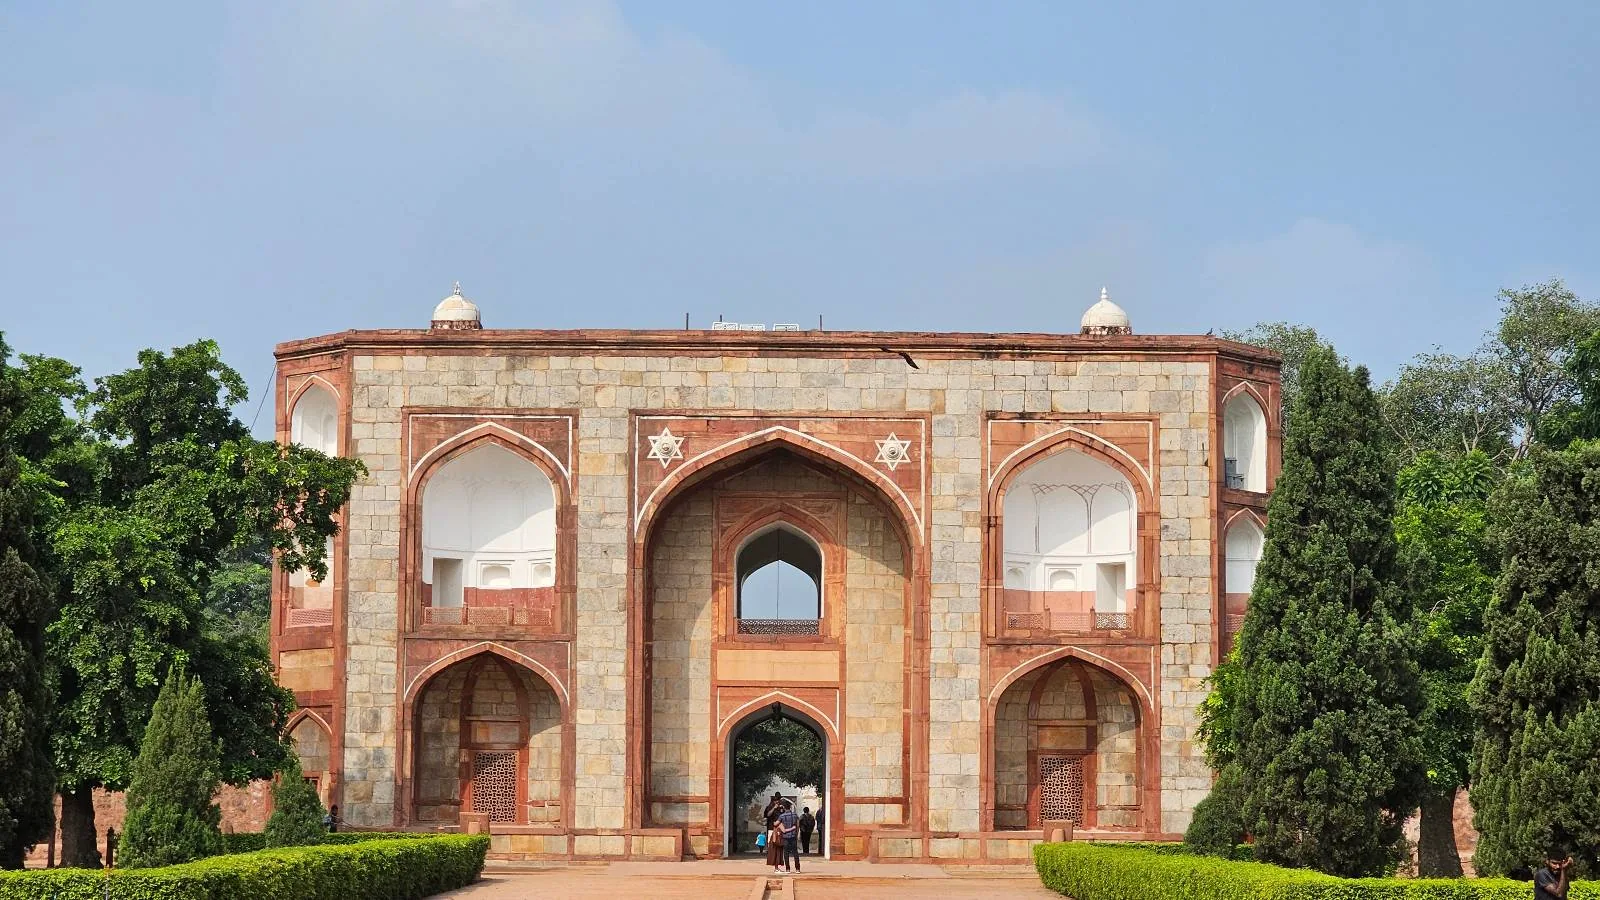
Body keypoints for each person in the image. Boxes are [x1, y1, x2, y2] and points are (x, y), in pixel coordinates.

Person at [777, 801, 801, 872]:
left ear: (784, 807)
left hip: (785, 836)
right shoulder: (795, 815)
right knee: (795, 852)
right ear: (790, 807)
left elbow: (777, 823)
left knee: (786, 853)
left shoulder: (782, 816)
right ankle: (797, 869)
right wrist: (797, 834)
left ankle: (788, 869)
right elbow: (798, 825)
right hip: (793, 836)